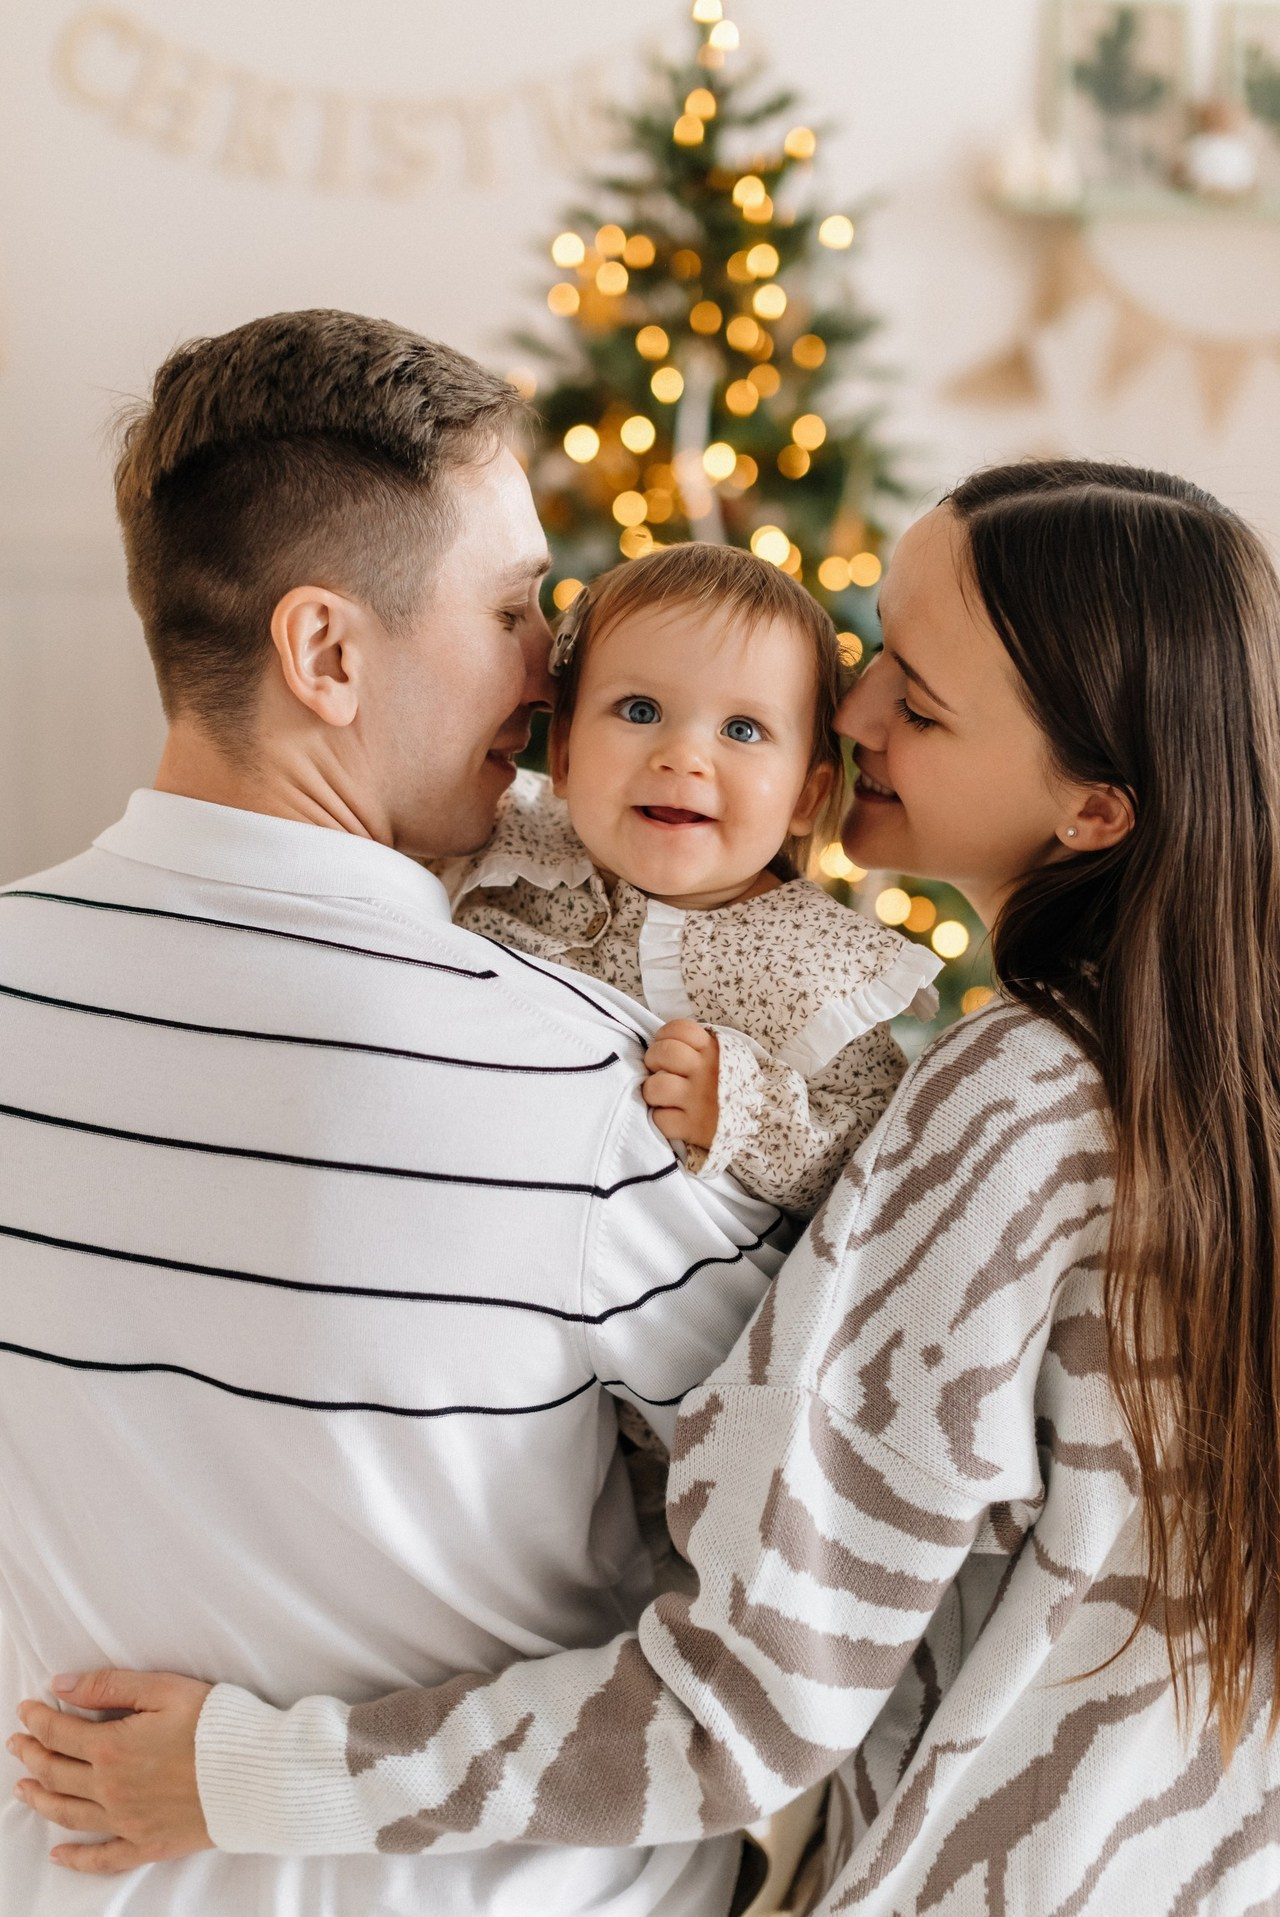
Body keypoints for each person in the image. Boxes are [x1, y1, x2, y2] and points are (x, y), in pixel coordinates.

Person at [19, 461, 1280, 1914]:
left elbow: (746, 1701)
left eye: (919, 703)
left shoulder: (1010, 1103)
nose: (850, 711)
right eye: (874, 648)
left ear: (1096, 810)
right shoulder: (1191, 1082)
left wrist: (250, 1776)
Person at [0, 308, 791, 1917]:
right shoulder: (579, 1084)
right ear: (327, 653)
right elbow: (802, 1590)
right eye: (513, 609)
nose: (555, 669)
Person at [443, 542, 940, 1218]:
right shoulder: (502, 835)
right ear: (563, 755)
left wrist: (741, 1105)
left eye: (742, 729)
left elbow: (873, 1170)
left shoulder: (818, 966)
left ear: (806, 795)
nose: (682, 757)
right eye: (640, 711)